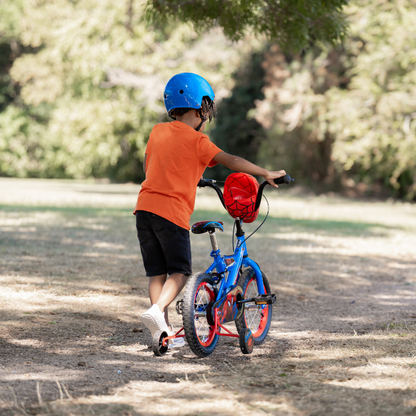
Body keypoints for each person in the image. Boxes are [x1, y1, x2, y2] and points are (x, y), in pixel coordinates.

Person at [134, 72, 285, 347]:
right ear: (201, 107)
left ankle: (161, 333)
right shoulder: (198, 142)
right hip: (172, 213)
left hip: (144, 210)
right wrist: (265, 172)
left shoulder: (157, 131)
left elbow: (150, 168)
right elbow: (232, 160)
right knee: (179, 272)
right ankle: (156, 311)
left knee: (156, 272)